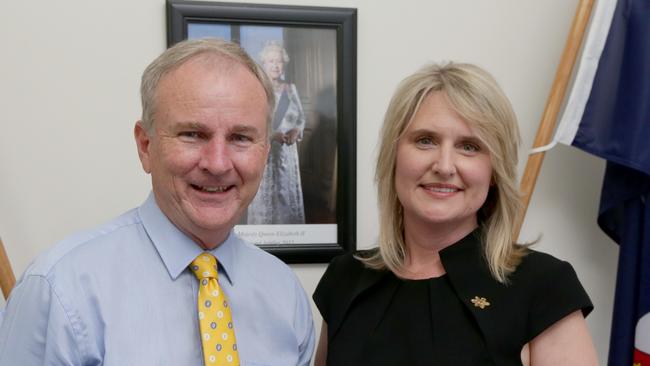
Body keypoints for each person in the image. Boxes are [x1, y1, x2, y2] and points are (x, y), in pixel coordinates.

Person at [0, 38, 315, 365]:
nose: (218, 163)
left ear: (265, 152)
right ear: (145, 145)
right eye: (192, 134)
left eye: (240, 138)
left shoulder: (285, 296)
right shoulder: (59, 290)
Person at [313, 62, 598, 366]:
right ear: (393, 156)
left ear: (494, 172)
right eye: (425, 140)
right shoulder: (345, 279)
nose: (444, 166)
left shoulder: (545, 286)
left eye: (469, 146)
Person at [247, 41, 306, 225]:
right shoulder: (255, 89)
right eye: (271, 61)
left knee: (286, 200)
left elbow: (301, 119)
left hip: (287, 155)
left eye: (279, 61)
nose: (275, 65)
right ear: (263, 64)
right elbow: (248, 124)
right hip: (265, 155)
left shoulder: (290, 90)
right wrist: (271, 135)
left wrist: (297, 131)